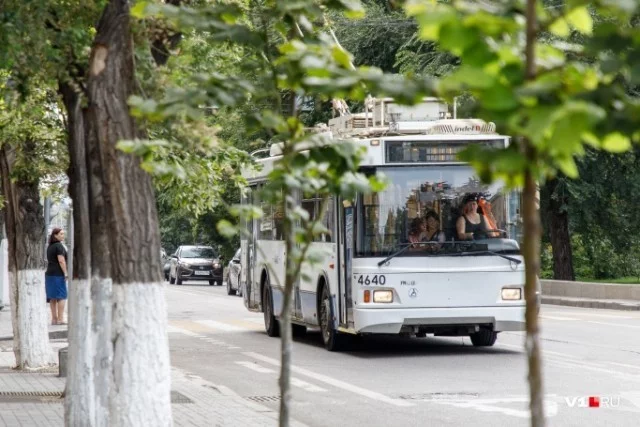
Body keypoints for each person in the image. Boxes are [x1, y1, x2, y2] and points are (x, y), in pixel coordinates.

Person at [45, 228, 68, 325]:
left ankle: (54, 319)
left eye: (63, 234)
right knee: (62, 296)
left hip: (49, 274)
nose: (63, 235)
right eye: (61, 234)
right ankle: (60, 319)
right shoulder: (59, 246)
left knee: (52, 297)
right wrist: (65, 273)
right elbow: (61, 261)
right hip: (58, 274)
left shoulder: (50, 246)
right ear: (55, 235)